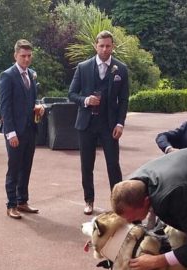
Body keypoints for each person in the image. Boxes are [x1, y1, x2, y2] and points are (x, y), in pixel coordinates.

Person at [69, 30, 130, 215]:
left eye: (108, 46)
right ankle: (89, 200)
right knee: (87, 164)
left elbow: (124, 100)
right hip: (86, 124)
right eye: (101, 45)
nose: (105, 49)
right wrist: (86, 100)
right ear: (95, 46)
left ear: (113, 47)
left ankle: (118, 203)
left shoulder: (121, 69)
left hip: (109, 125)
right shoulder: (83, 67)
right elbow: (72, 94)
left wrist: (120, 124)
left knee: (113, 164)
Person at [0, 39, 45, 219]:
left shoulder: (32, 74)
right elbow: (5, 106)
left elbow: (33, 99)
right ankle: (11, 204)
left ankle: (22, 201)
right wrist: (10, 133)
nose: (26, 59)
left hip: (30, 129)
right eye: (23, 56)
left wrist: (39, 107)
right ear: (15, 56)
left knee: (26, 167)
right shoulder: (7, 76)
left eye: (29, 56)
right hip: (14, 132)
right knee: (14, 167)